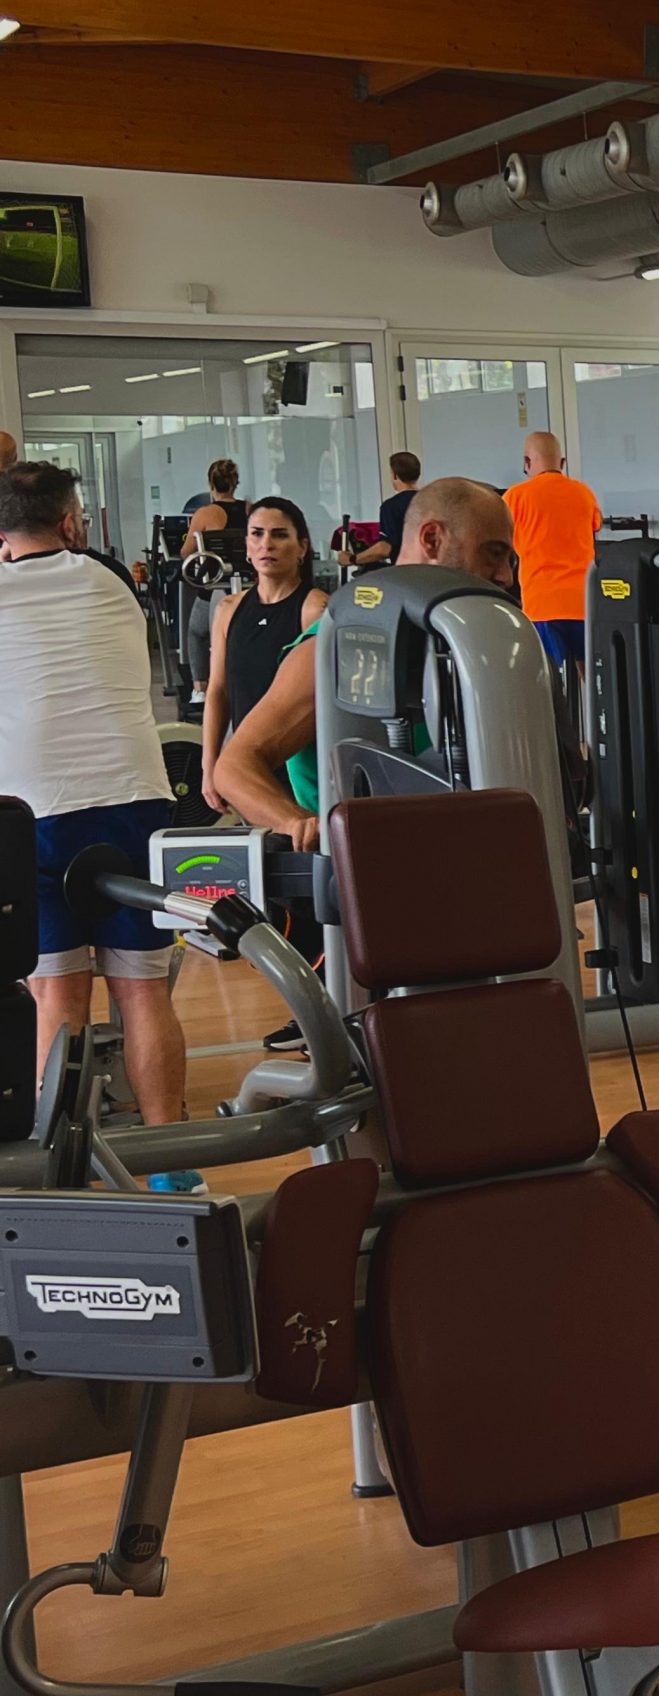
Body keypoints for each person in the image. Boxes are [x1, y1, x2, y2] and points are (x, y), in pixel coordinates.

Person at [0, 463, 194, 1177]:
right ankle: (173, 1162)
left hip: (35, 808)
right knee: (142, 989)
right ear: (71, 522)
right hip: (132, 798)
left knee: (57, 994)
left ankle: (65, 1168)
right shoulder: (111, 581)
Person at [216, 478, 518, 853]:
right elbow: (235, 766)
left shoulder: (468, 644)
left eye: (509, 560)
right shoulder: (336, 643)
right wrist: (299, 824)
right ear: (431, 540)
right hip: (365, 868)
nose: (505, 576)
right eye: (492, 553)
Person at [201, 498, 328, 821]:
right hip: (250, 771)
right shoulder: (228, 610)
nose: (266, 544)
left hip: (299, 775)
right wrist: (210, 766)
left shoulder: (315, 609)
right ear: (246, 545)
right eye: (257, 534)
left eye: (279, 535)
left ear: (302, 547)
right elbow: (218, 691)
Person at [504, 432, 601, 684]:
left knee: (549, 682)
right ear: (563, 462)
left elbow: (500, 536)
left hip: (541, 603)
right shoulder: (584, 493)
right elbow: (595, 526)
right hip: (584, 601)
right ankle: (595, 711)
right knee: (592, 680)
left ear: (527, 462)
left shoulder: (515, 496)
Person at [350, 451, 423, 568]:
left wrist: (352, 559)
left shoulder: (391, 507)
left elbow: (384, 549)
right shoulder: (432, 502)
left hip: (406, 573)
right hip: (434, 571)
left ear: (395, 476)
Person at [179, 457, 247, 560]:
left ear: (211, 484)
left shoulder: (204, 514)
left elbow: (186, 553)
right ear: (235, 484)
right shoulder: (251, 509)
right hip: (248, 569)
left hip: (216, 569)